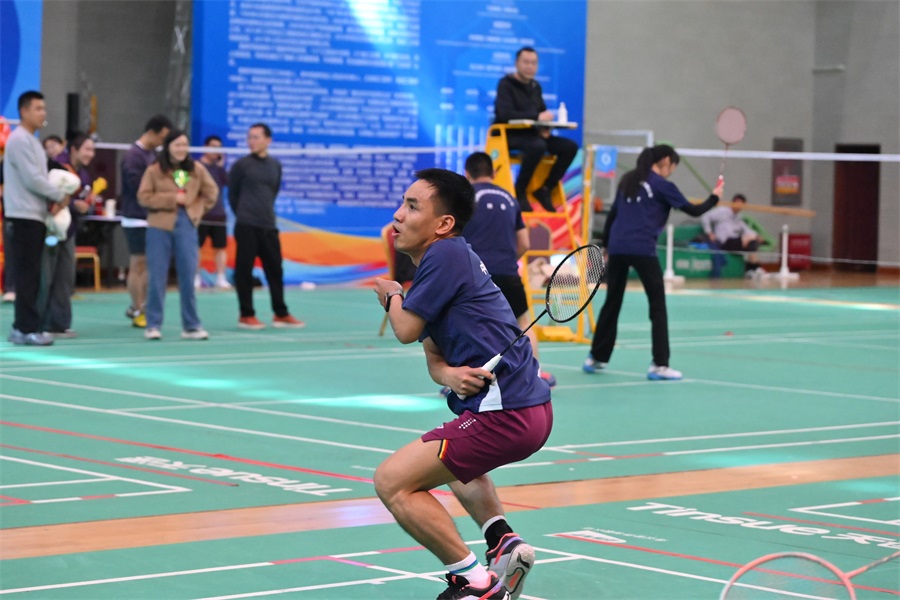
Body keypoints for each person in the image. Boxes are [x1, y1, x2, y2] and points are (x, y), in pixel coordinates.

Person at [373, 168, 552, 600]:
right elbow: (434, 357)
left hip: (507, 413)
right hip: (525, 411)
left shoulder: (446, 255)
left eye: (412, 206)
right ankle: (502, 541)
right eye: (402, 203)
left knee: (392, 482)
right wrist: (450, 375)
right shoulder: (440, 265)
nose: (398, 215)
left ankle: (475, 582)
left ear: (444, 224)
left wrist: (392, 294)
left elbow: (405, 329)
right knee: (450, 463)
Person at [584, 145, 724, 380]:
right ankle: (660, 365)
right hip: (642, 249)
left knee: (612, 303)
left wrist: (606, 247)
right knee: (657, 307)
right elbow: (693, 210)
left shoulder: (628, 179)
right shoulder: (662, 185)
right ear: (666, 161)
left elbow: (613, 215)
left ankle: (596, 357)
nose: (671, 171)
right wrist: (715, 197)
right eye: (673, 166)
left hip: (618, 247)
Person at [462, 151, 556, 388]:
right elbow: (524, 242)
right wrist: (505, 261)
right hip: (508, 273)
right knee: (523, 323)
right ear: (493, 173)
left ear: (467, 173)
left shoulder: (465, 197)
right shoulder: (510, 198)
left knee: (469, 325)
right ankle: (536, 375)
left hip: (475, 275)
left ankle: (465, 379)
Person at [137, 130, 218, 341]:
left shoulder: (196, 169)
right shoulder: (154, 170)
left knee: (188, 275)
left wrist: (196, 210)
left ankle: (191, 326)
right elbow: (144, 197)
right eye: (177, 145)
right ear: (168, 147)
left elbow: (212, 193)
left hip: (186, 225)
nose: (181, 149)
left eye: (184, 145)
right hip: (159, 226)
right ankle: (153, 324)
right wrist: (172, 199)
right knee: (157, 277)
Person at [3, 91, 69, 346]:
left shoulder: (32, 141)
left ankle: (26, 326)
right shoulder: (20, 140)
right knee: (27, 276)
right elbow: (33, 179)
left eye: (44, 108)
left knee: (32, 275)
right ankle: (24, 329)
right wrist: (59, 195)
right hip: (23, 217)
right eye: (38, 108)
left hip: (35, 216)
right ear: (24, 111)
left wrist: (52, 201)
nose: (43, 113)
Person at [228, 123, 303, 330]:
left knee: (275, 269)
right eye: (249, 137)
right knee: (244, 270)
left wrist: (262, 213)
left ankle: (280, 313)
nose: (251, 141)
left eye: (256, 137)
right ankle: (246, 314)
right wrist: (244, 214)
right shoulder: (241, 165)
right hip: (246, 225)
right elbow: (233, 195)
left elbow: (273, 191)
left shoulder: (275, 165)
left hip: (269, 225)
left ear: (268, 140)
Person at [493, 46, 578, 213]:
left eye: (533, 63)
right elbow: (504, 113)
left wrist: (545, 126)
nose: (530, 66)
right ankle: (520, 190)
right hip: (509, 133)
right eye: (526, 62)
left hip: (533, 134)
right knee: (538, 146)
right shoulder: (505, 84)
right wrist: (537, 117)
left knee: (569, 147)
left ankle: (545, 189)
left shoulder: (535, 86)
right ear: (516, 63)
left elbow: (541, 111)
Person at [41, 134, 97, 338]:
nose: (91, 154)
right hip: (50, 230)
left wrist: (86, 206)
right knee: (46, 276)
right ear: (74, 149)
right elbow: (51, 197)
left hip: (69, 231)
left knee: (65, 277)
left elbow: (83, 200)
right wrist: (73, 204)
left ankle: (60, 324)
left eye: (92, 150)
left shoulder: (84, 174)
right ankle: (41, 323)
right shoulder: (57, 167)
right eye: (87, 149)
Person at [120, 114, 172, 328]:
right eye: (162, 137)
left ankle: (141, 306)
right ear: (151, 132)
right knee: (138, 263)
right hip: (136, 217)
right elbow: (138, 187)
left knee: (150, 264)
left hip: (153, 217)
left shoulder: (154, 155)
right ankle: (138, 308)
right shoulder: (133, 156)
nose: (163, 142)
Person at [195, 134, 231, 290]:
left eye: (219, 148)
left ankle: (221, 278)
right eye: (213, 147)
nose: (216, 150)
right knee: (196, 247)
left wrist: (221, 166)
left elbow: (228, 182)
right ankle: (196, 277)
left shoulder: (219, 169)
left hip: (218, 215)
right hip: (201, 215)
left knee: (220, 248)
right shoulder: (196, 166)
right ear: (205, 148)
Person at [701, 192, 764, 277]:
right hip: (724, 242)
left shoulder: (739, 216)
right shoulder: (722, 211)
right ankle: (754, 268)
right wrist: (709, 233)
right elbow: (705, 217)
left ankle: (752, 269)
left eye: (742, 205)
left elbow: (746, 229)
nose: (739, 206)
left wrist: (756, 236)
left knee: (753, 242)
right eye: (738, 203)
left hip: (735, 242)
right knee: (748, 239)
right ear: (733, 202)